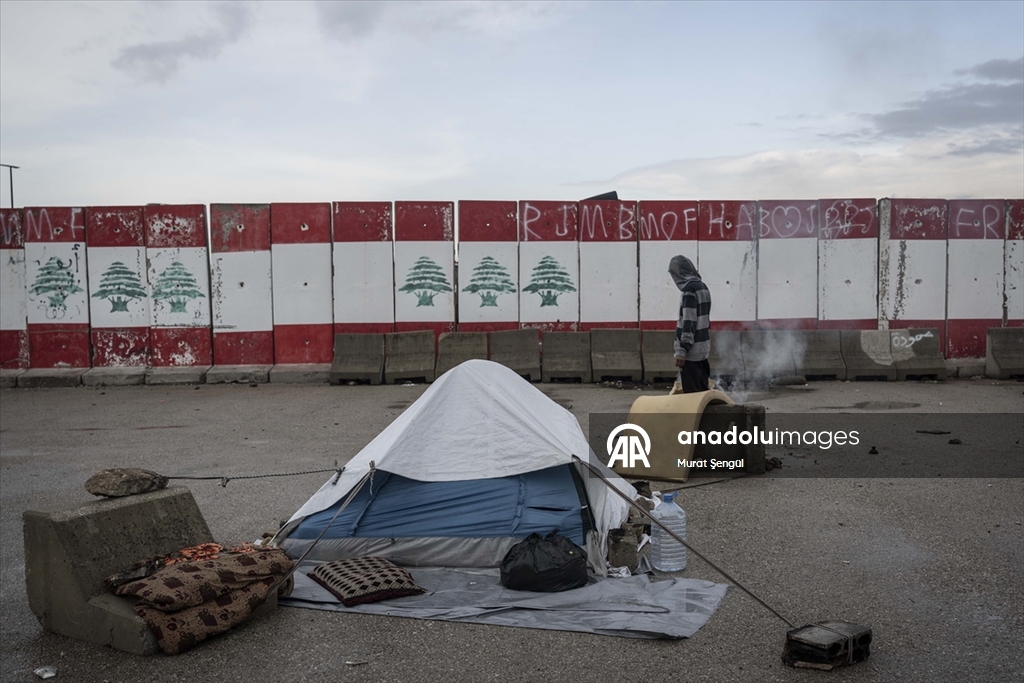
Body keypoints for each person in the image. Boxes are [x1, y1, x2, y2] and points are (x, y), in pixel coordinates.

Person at [668, 255, 711, 393]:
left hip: (691, 354)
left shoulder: (689, 291)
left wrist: (682, 351)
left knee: (692, 398)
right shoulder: (702, 287)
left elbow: (689, 322)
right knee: (702, 394)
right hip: (703, 351)